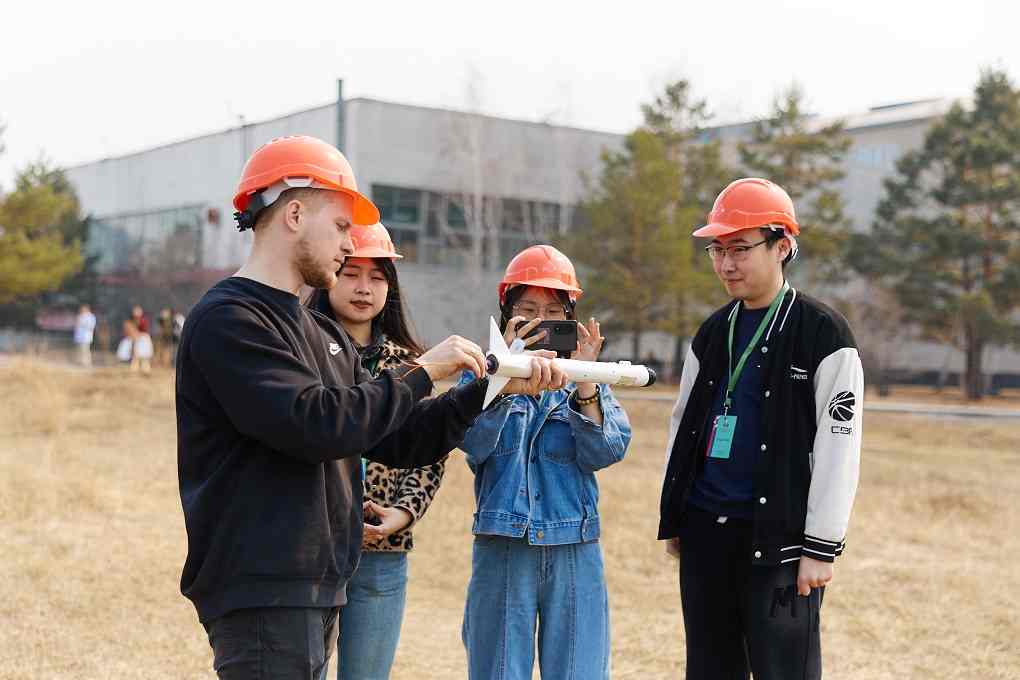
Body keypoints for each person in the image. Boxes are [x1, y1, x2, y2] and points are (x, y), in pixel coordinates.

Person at [175, 135, 567, 680]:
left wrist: (489, 389)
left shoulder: (315, 331)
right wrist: (421, 371)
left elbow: (396, 436)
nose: (348, 242)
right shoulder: (231, 320)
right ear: (293, 214)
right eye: (339, 227)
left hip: (315, 585)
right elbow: (315, 424)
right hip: (262, 585)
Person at [657, 178, 864, 680]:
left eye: (741, 248)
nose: (726, 263)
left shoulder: (822, 332)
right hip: (707, 530)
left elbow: (840, 446)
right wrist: (677, 512)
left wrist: (821, 546)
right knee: (709, 669)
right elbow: (683, 423)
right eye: (717, 249)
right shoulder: (712, 330)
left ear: (783, 246)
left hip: (782, 544)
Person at [459, 245, 632, 680]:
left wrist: (586, 384)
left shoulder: (586, 378)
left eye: (553, 311)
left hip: (574, 544)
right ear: (506, 314)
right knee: (497, 670)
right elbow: (472, 445)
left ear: (570, 320)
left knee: (580, 671)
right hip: (503, 544)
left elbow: (607, 451)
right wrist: (504, 384)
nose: (540, 321)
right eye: (528, 310)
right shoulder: (481, 373)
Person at [305, 222, 443, 680]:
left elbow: (429, 453)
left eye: (378, 277)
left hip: (383, 551)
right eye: (351, 272)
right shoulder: (302, 350)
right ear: (329, 273)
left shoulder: (412, 364)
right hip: (312, 546)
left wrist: (400, 515)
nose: (364, 288)